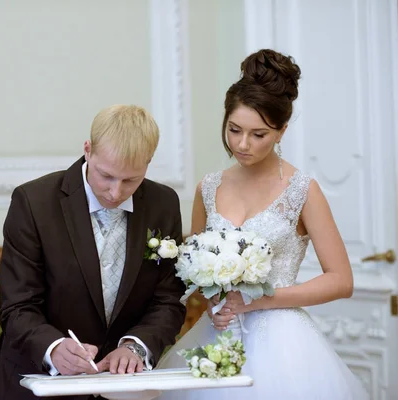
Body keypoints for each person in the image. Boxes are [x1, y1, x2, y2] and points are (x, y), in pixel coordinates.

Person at [156, 49, 369, 399]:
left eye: (259, 134)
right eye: (234, 129)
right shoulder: (208, 188)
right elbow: (192, 273)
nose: (242, 144)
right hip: (218, 336)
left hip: (284, 346)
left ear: (281, 131)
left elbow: (341, 281)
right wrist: (214, 301)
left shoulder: (303, 191)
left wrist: (257, 301)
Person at [0, 104, 187, 400]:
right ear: (88, 150)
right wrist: (53, 348)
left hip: (122, 389)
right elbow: (17, 306)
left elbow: (168, 299)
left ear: (149, 162)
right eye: (106, 175)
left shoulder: (163, 204)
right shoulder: (34, 202)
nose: (115, 192)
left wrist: (135, 346)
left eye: (130, 180)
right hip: (37, 385)